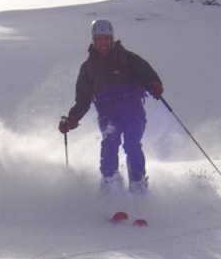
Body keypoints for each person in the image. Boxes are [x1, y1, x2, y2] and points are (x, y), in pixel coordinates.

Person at [59, 19, 163, 194]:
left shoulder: (128, 58)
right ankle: (110, 185)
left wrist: (154, 85)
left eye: (106, 39)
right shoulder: (88, 68)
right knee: (110, 140)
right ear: (93, 40)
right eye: (98, 39)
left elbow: (148, 75)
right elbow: (83, 99)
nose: (103, 43)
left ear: (112, 38)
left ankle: (138, 186)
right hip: (108, 114)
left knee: (132, 144)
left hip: (133, 110)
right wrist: (72, 118)